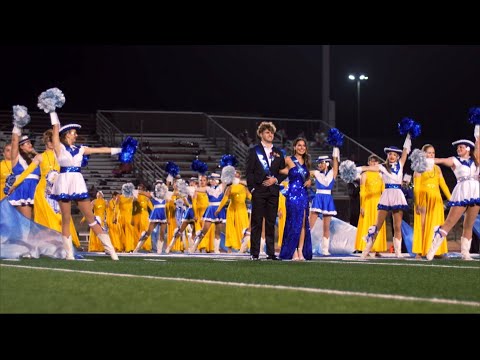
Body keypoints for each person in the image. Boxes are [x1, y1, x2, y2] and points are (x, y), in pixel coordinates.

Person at [48, 111, 120, 260]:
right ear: (67, 134)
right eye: (73, 133)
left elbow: (100, 150)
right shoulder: (59, 147)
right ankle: (69, 254)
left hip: (77, 181)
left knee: (91, 217)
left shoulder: (80, 149)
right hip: (64, 181)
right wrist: (52, 110)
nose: (76, 135)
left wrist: (120, 150)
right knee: (66, 218)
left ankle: (111, 250)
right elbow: (55, 128)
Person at [8, 130, 81, 249]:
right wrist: (15, 185)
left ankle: (66, 242)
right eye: (54, 141)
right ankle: (53, 244)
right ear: (48, 142)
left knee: (62, 217)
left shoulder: (62, 155)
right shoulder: (39, 157)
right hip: (43, 192)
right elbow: (26, 172)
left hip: (59, 190)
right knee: (48, 218)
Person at [426, 135, 480, 261]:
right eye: (457, 148)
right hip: (461, 192)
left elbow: (478, 143)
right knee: (449, 223)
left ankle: (465, 253)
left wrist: (477, 125)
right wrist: (426, 160)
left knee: (469, 225)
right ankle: (432, 250)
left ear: (468, 149)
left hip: (475, 192)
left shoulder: (476, 160)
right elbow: (440, 160)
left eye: (461, 147)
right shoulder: (454, 160)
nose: (458, 149)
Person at [359, 135, 411, 259]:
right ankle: (366, 251)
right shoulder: (383, 167)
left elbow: (405, 150)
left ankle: (398, 252)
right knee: (377, 225)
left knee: (397, 226)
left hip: (397, 194)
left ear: (397, 156)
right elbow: (369, 168)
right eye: (389, 154)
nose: (391, 156)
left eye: (394, 154)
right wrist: (355, 169)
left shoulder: (401, 164)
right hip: (386, 194)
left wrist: (408, 135)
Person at [246, 121, 286, 260]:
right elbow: (249, 172)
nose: (270, 135)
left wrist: (276, 180)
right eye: (267, 132)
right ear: (261, 134)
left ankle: (270, 253)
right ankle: (254, 253)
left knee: (270, 222)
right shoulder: (254, 151)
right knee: (256, 222)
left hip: (273, 192)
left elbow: (283, 171)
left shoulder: (279, 152)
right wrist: (252, 189)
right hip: (258, 191)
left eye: (272, 132)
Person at [412, 144, 451, 259]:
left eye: (433, 153)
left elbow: (443, 185)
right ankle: (420, 251)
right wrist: (417, 203)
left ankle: (437, 251)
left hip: (436, 200)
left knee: (437, 225)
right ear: (423, 154)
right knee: (422, 225)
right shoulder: (418, 168)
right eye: (429, 152)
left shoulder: (437, 168)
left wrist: (452, 199)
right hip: (423, 200)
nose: (431, 155)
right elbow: (417, 188)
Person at [278, 137, 312, 260]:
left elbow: (307, 177)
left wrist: (309, 181)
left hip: (303, 194)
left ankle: (300, 250)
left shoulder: (307, 162)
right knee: (293, 223)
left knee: (303, 223)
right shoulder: (288, 159)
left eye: (303, 146)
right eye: (299, 145)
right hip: (292, 195)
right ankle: (292, 251)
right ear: (294, 147)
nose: (301, 147)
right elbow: (278, 170)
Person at [354, 154, 387, 256]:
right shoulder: (365, 174)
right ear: (368, 163)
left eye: (375, 162)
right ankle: (366, 248)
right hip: (368, 203)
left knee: (378, 224)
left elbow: (384, 190)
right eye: (371, 161)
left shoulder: (381, 175)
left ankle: (377, 248)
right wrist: (362, 206)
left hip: (379, 203)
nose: (373, 163)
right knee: (367, 224)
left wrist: (385, 204)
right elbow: (362, 191)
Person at [309, 151, 340, 256]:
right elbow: (303, 172)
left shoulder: (332, 173)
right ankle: (303, 246)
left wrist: (335, 148)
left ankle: (325, 249)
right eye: (318, 163)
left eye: (321, 163)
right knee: (309, 225)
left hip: (327, 199)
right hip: (318, 198)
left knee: (326, 227)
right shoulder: (316, 173)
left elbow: (335, 163)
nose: (319, 165)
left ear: (327, 163)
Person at [215, 170, 251, 252]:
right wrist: (218, 209)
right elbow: (225, 199)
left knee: (243, 227)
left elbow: (250, 196)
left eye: (237, 176)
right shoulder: (229, 187)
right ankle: (229, 248)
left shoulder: (244, 187)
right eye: (235, 176)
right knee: (230, 229)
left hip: (242, 210)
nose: (236, 178)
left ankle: (243, 247)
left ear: (240, 177)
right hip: (232, 210)